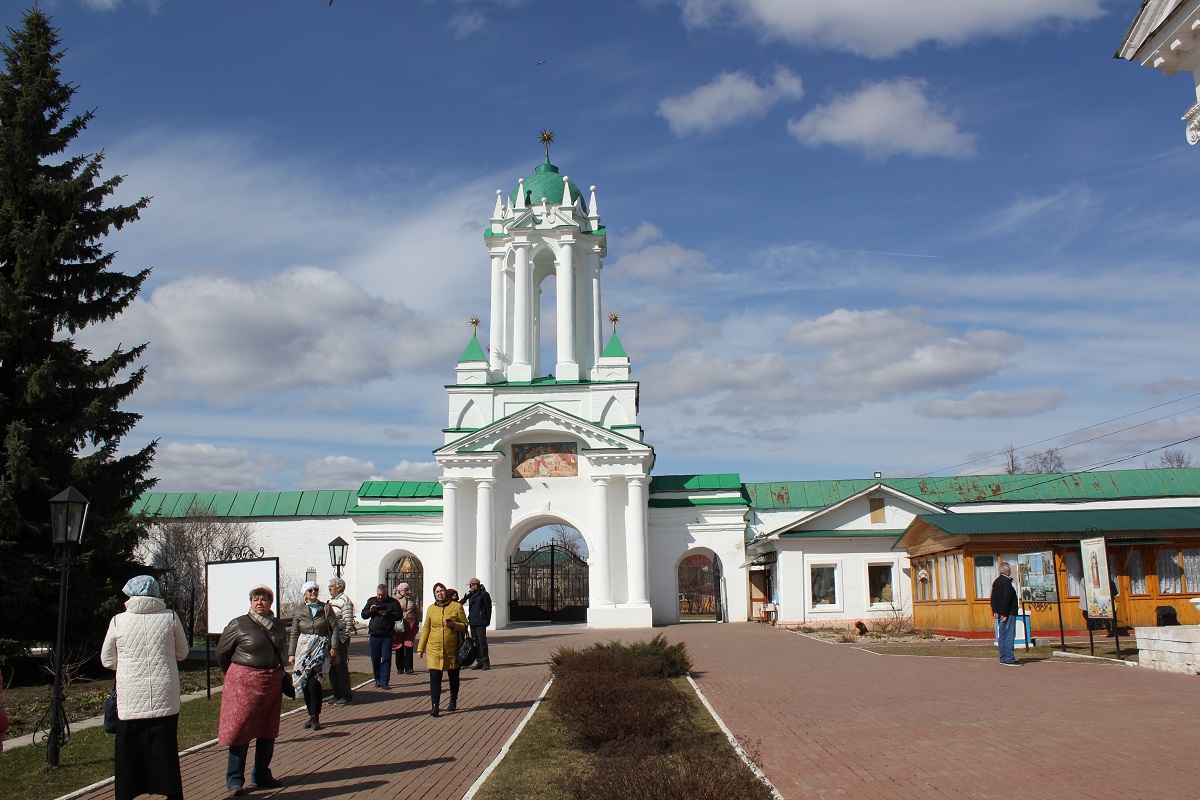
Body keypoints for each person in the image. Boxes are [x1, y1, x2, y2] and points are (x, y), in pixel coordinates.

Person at [100, 575, 189, 800]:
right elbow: (182, 653)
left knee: (128, 754)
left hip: (130, 696)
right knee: (166, 752)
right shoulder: (170, 617)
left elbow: (107, 660)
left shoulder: (118, 621)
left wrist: (127, 666)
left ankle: (126, 794)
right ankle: (172, 794)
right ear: (156, 592)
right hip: (164, 694)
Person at [217, 585, 288, 796]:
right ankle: (234, 780)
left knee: (268, 729)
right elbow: (222, 653)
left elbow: (281, 650)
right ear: (250, 603)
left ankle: (261, 774)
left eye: (264, 599)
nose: (259, 603)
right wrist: (237, 675)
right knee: (240, 730)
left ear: (270, 603)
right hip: (243, 685)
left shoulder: (278, 625)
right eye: (256, 599)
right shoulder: (238, 624)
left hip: (271, 683)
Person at [289, 581, 340, 731]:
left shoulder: (325, 608)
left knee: (315, 682)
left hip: (320, 648)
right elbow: (294, 632)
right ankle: (310, 714)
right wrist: (291, 653)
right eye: (310, 590)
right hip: (304, 649)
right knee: (304, 682)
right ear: (305, 593)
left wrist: (334, 647)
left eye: (315, 590)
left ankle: (315, 716)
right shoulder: (299, 610)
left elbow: (334, 628)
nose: (313, 592)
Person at [417, 582, 468, 717]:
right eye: (437, 592)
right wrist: (420, 648)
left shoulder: (456, 607)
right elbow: (426, 629)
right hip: (434, 648)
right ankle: (435, 705)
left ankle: (453, 700)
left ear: (446, 592)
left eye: (442, 591)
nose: (440, 594)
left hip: (452, 648)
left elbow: (465, 625)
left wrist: (454, 625)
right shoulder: (431, 609)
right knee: (435, 677)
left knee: (453, 676)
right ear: (434, 594)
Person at [361, 583, 402, 689]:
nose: (380, 597)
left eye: (382, 595)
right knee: (375, 658)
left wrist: (387, 613)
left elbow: (399, 616)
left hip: (387, 635)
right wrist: (371, 611)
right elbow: (364, 614)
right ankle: (377, 679)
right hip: (374, 635)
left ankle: (384, 681)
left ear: (387, 593)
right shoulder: (372, 601)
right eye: (379, 595)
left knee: (386, 658)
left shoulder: (393, 602)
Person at [326, 576, 355, 705]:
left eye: (331, 586)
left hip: (339, 638)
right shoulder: (331, 601)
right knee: (332, 668)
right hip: (331, 637)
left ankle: (346, 695)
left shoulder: (345, 601)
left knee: (340, 666)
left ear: (339, 587)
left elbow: (348, 623)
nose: (329, 589)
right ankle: (336, 694)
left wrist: (341, 640)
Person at [990, 562, 1020, 666]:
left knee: (1002, 635)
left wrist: (995, 611)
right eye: (1010, 569)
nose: (1010, 570)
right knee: (1009, 635)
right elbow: (1006, 599)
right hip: (1008, 613)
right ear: (1007, 570)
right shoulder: (1006, 582)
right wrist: (1005, 614)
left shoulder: (996, 581)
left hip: (1000, 612)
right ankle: (1009, 658)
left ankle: (1003, 657)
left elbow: (993, 598)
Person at [461, 577, 493, 670]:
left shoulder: (484, 594)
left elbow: (488, 607)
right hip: (473, 621)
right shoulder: (471, 595)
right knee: (475, 642)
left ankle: (485, 661)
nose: (470, 587)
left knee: (482, 642)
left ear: (476, 585)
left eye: (471, 585)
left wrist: (487, 619)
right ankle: (479, 661)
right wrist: (466, 597)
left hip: (481, 621)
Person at [392, 582, 420, 676]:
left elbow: (416, 610)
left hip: (410, 624)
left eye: (407, 589)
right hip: (399, 624)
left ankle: (409, 668)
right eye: (405, 590)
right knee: (399, 645)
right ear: (400, 590)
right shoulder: (395, 599)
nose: (407, 592)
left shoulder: (412, 598)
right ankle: (400, 668)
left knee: (409, 645)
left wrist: (416, 620)